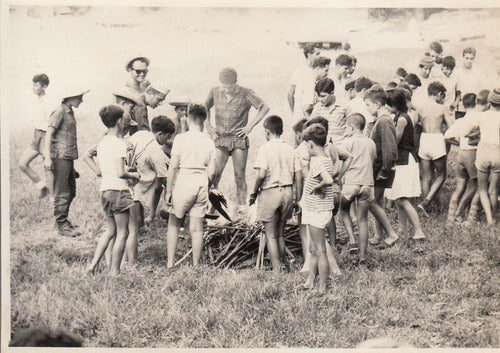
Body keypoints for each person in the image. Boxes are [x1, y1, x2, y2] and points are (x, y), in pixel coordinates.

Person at [205, 67, 270, 218]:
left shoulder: (245, 93)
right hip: (220, 138)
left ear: (236, 83)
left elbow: (264, 107)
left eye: (230, 87)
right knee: (215, 174)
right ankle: (213, 205)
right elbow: (204, 107)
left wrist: (249, 126)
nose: (226, 90)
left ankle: (242, 207)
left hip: (238, 138)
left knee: (239, 175)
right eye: (224, 87)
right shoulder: (214, 91)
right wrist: (208, 126)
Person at [85, 105, 140, 275]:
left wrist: (98, 171)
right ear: (118, 122)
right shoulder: (119, 144)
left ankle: (92, 265)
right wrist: (135, 175)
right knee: (124, 232)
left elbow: (100, 168)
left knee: (110, 231)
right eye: (123, 121)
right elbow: (121, 172)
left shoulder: (102, 143)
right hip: (119, 191)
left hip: (105, 190)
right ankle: (114, 272)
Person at [166, 104, 218, 268]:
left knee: (174, 223)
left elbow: (173, 166)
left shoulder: (181, 139)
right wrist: (207, 186)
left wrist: (168, 191)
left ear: (188, 119)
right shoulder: (209, 142)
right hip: (201, 181)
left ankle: (170, 262)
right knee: (196, 228)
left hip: (184, 180)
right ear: (204, 120)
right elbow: (213, 172)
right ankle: (196, 264)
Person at [249, 115, 302, 272]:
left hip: (270, 192)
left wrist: (254, 191)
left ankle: (277, 270)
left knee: (270, 235)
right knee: (280, 233)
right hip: (287, 191)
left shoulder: (264, 149)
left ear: (266, 132)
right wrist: (297, 199)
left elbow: (261, 174)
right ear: (282, 130)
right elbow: (298, 176)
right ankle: (284, 264)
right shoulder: (290, 149)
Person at [127, 116, 175, 261]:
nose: (166, 141)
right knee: (131, 229)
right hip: (135, 182)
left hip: (127, 177)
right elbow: (160, 185)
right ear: (160, 134)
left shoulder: (140, 134)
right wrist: (154, 212)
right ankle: (132, 260)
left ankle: (141, 224)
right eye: (166, 137)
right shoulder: (157, 153)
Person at [43, 88, 89, 237]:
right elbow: (48, 135)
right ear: (71, 97)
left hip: (67, 157)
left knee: (72, 191)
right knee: (63, 192)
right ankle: (61, 223)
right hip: (60, 157)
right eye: (79, 97)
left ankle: (63, 220)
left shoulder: (69, 111)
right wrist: (47, 157)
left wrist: (71, 167)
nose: (81, 100)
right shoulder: (59, 112)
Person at [384, 89, 426, 240]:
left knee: (403, 198)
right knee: (398, 198)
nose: (387, 108)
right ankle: (402, 229)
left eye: (388, 105)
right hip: (401, 160)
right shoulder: (398, 117)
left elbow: (395, 141)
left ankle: (419, 230)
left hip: (405, 161)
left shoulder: (401, 119)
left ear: (395, 104)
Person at [299, 124, 335, 294]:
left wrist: (317, 187)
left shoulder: (318, 161)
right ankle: (310, 281)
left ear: (311, 144)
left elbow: (328, 180)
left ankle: (322, 287)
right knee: (313, 248)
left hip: (317, 211)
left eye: (306, 144)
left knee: (319, 250)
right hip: (316, 209)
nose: (306, 148)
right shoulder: (325, 158)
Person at [363, 86, 400, 247]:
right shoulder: (380, 120)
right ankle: (378, 235)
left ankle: (391, 234)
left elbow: (389, 148)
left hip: (381, 170)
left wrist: (385, 170)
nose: (367, 108)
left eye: (368, 105)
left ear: (377, 104)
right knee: (377, 201)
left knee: (370, 201)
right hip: (380, 169)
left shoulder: (384, 121)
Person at [338, 114, 377, 264]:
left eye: (347, 127)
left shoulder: (347, 142)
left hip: (351, 183)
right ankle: (362, 255)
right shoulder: (371, 142)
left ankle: (352, 240)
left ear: (352, 128)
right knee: (363, 220)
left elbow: (342, 161)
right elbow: (373, 159)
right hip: (367, 184)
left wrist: (339, 176)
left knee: (343, 210)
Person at [414, 82, 455, 216]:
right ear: (439, 94)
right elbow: (451, 127)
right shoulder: (442, 108)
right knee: (441, 175)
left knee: (426, 177)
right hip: (437, 139)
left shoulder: (420, 108)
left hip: (424, 139)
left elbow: (414, 125)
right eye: (443, 96)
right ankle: (426, 202)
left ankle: (427, 208)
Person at [463, 88, 500, 224]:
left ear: (489, 102)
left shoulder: (481, 116)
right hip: (497, 153)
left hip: (484, 152)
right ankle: (494, 216)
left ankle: (489, 219)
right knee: (493, 190)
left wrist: (479, 134)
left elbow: (466, 133)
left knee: (482, 189)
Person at [444, 93, 480, 224]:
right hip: (472, 154)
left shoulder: (461, 120)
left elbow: (447, 136)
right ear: (476, 103)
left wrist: (458, 143)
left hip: (461, 153)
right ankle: (461, 213)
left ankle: (450, 217)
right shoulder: (478, 118)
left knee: (460, 187)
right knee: (476, 186)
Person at [18, 73, 53, 199]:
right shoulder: (37, 100)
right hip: (36, 136)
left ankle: (53, 198)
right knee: (22, 163)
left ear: (44, 87)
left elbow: (51, 123)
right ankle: (42, 187)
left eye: (36, 85)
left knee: (48, 167)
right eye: (33, 84)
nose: (33, 87)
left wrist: (46, 141)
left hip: (45, 135)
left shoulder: (48, 101)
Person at [287, 43, 321, 122]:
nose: (319, 57)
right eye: (317, 54)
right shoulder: (301, 71)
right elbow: (290, 93)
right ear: (309, 54)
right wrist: (295, 112)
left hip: (309, 117)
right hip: (302, 117)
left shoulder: (315, 71)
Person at [310, 78, 347, 144]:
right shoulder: (318, 107)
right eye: (318, 96)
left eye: (323, 96)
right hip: (323, 147)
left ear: (332, 93)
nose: (320, 99)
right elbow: (311, 127)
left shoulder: (344, 106)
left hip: (340, 145)